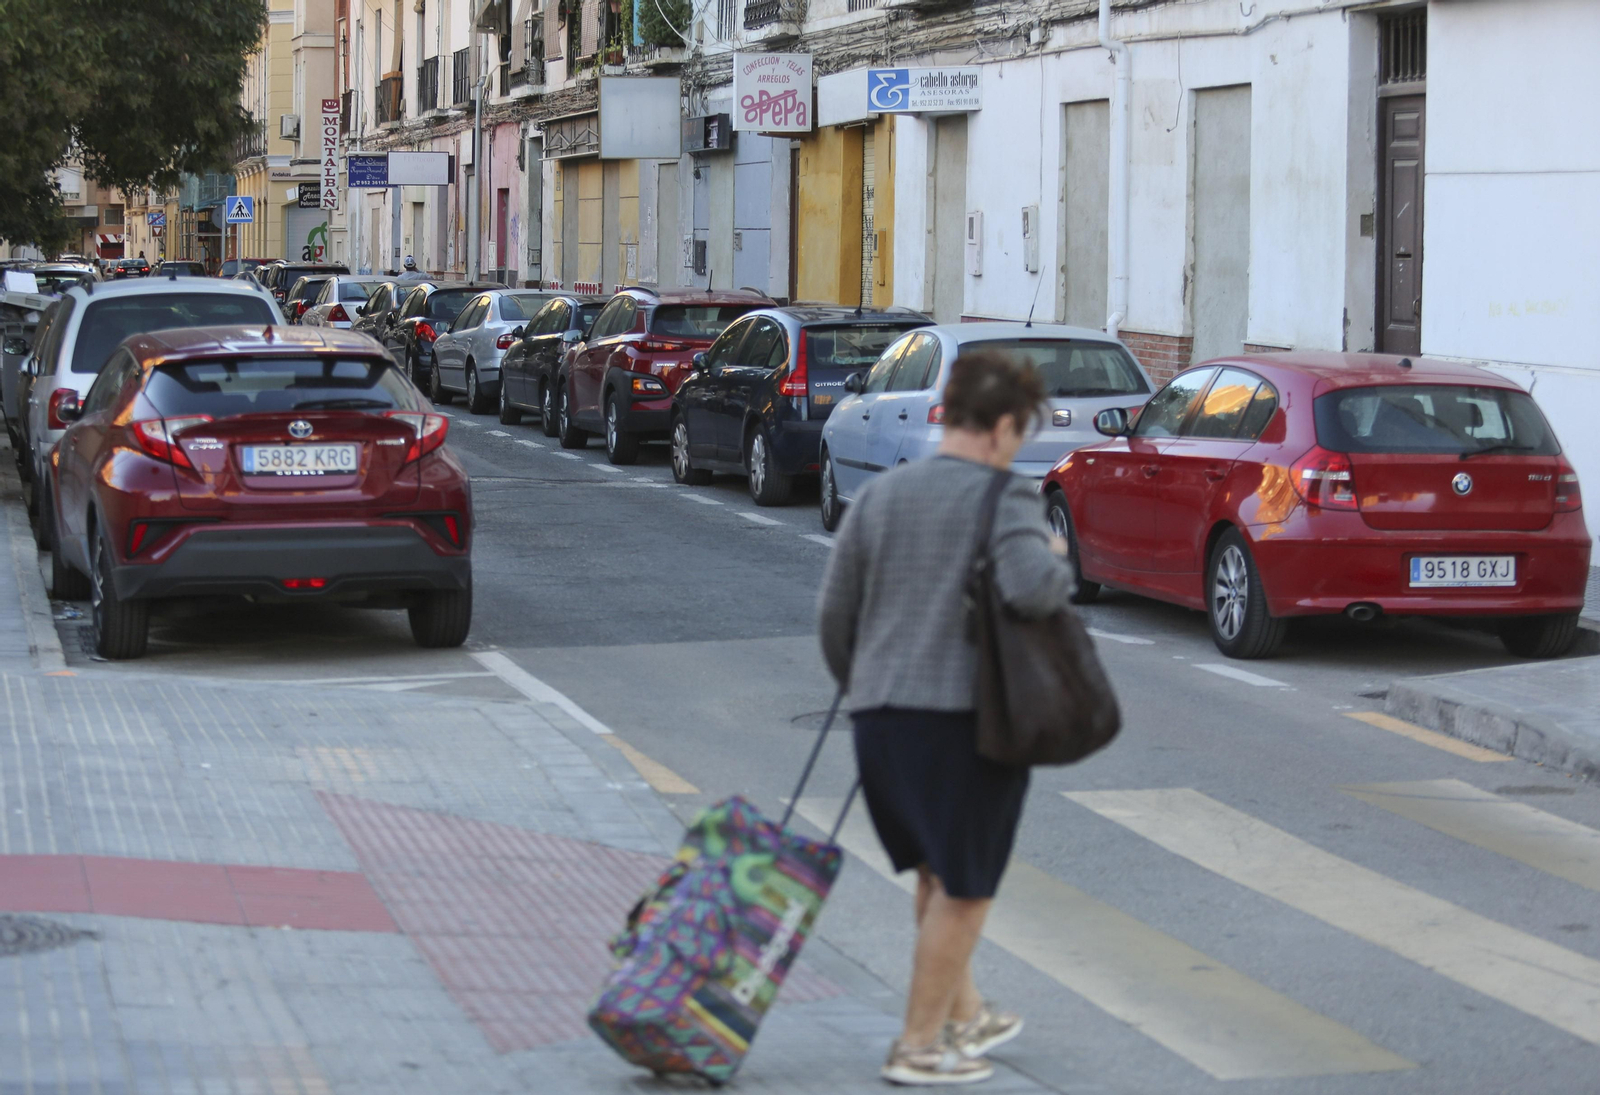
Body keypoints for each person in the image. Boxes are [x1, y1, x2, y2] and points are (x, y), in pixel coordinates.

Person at [817, 349, 1075, 1087]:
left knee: (937, 874)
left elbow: (835, 617)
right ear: (998, 428)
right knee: (965, 888)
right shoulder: (1005, 499)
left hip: (879, 721)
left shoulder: (882, 497)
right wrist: (1055, 553)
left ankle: (968, 1015)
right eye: (1019, 434)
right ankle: (918, 1044)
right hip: (965, 726)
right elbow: (1033, 590)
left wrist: (870, 686)